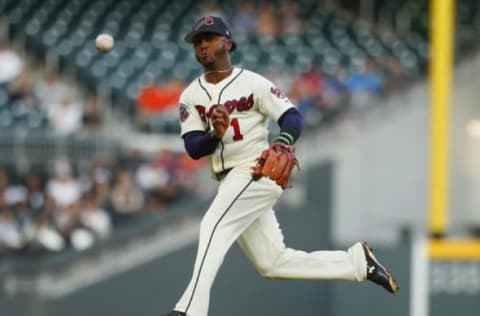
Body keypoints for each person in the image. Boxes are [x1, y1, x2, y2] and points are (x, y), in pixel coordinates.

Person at [164, 16, 398, 316]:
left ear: (228, 43)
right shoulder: (191, 95)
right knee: (272, 262)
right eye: (198, 41)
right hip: (229, 180)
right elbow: (194, 148)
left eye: (209, 38)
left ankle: (189, 310)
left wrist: (284, 139)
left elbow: (292, 117)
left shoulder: (253, 83)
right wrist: (214, 134)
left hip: (256, 169)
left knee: (213, 225)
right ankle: (356, 263)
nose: (202, 46)